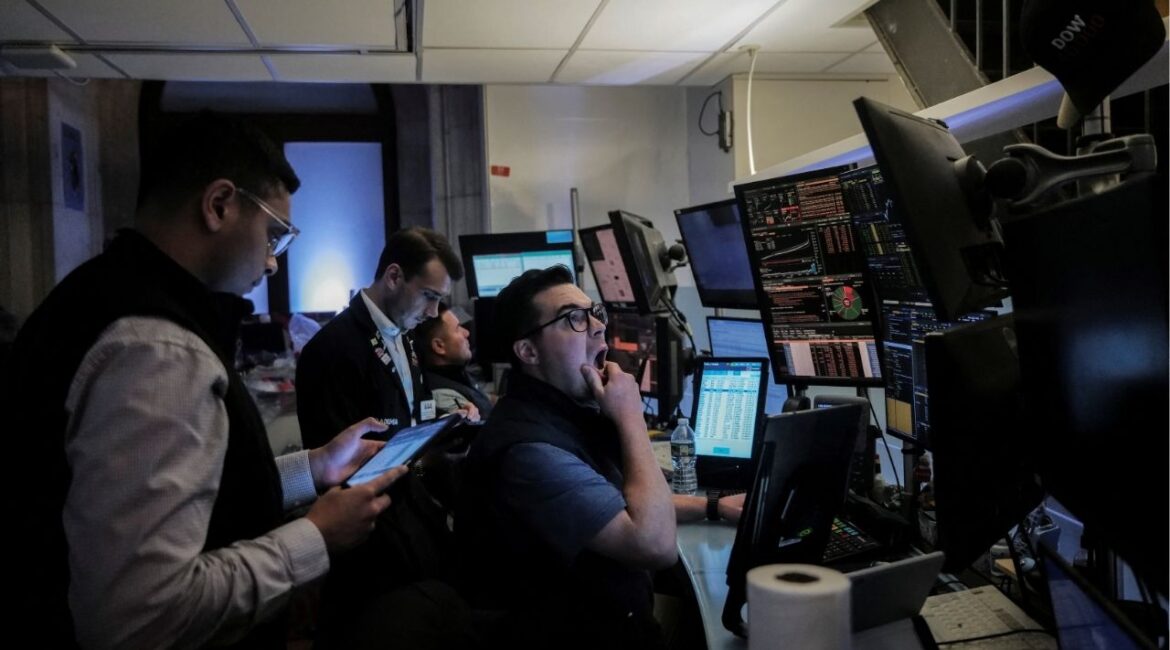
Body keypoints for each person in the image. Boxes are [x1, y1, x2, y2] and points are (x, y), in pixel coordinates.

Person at [4, 112, 405, 649]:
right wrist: (315, 537)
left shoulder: (96, 290)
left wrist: (313, 468)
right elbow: (141, 616)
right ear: (219, 205)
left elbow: (197, 490)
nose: (272, 263)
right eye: (274, 235)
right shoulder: (157, 349)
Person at [455, 265, 743, 650]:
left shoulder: (561, 414)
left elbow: (611, 500)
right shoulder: (528, 452)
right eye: (573, 318)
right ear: (528, 351)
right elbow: (653, 544)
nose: (597, 326)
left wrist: (714, 506)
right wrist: (631, 417)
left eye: (595, 313)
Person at [296, 227, 469, 450]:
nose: (434, 312)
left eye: (439, 299)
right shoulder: (330, 348)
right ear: (394, 277)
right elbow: (330, 457)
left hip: (411, 468)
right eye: (428, 295)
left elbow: (413, 413)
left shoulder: (408, 334)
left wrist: (448, 420)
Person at [409, 302, 494, 420]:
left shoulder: (455, 375)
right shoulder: (442, 395)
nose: (466, 333)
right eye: (457, 329)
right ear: (439, 346)